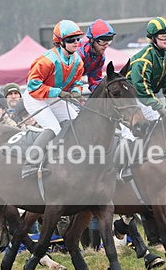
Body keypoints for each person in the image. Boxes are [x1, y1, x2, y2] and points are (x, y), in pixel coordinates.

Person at [21, 19, 84, 178]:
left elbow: (77, 81)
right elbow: (33, 86)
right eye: (71, 40)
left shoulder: (77, 61)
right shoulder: (47, 61)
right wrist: (59, 92)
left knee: (76, 122)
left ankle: (66, 157)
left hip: (54, 97)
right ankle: (30, 164)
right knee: (54, 128)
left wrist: (76, 91)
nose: (76, 43)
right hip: (34, 97)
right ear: (60, 42)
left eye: (78, 39)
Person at [126, 17, 166, 123]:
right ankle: (129, 140)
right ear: (153, 38)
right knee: (155, 121)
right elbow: (140, 86)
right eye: (163, 37)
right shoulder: (144, 59)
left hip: (145, 97)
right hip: (130, 98)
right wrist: (158, 106)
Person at [78, 19, 116, 92]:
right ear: (92, 40)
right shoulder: (78, 55)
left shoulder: (100, 57)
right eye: (102, 42)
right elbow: (70, 82)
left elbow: (95, 81)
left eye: (108, 42)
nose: (106, 46)